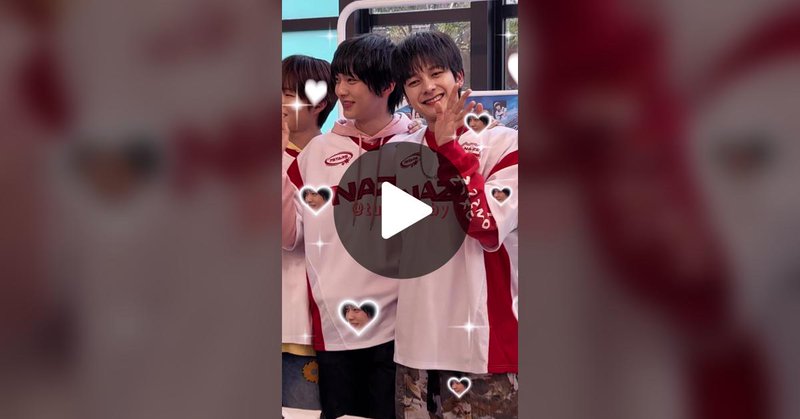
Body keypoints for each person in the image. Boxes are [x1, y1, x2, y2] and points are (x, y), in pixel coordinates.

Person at [389, 31, 519, 418]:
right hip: (414, 345)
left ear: (458, 76)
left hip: (481, 347)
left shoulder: (505, 144)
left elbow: (487, 227)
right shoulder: (396, 153)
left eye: (436, 74)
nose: (427, 87)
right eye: (414, 81)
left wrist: (450, 149)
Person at [282, 33, 411, 419]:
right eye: (338, 79)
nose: (340, 90)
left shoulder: (418, 147)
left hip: (403, 327)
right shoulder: (316, 153)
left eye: (351, 80)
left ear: (386, 86)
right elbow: (291, 237)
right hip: (335, 326)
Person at [281, 54, 336, 410]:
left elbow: (290, 236)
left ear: (319, 103)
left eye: (288, 94)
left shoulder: (333, 160)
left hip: (304, 328)